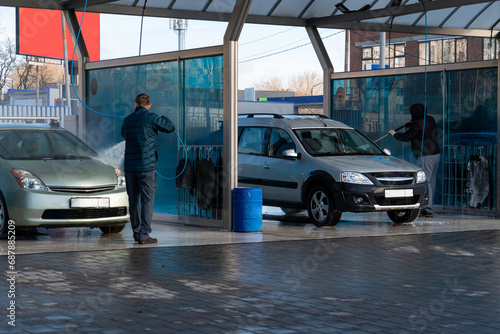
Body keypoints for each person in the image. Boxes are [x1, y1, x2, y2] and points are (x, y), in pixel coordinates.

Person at [121, 93, 175, 244]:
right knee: (147, 201)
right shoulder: (151, 117)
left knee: (133, 201)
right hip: (147, 167)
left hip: (130, 168)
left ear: (135, 104)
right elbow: (170, 127)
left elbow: (124, 134)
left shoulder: (127, 120)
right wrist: (161, 116)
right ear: (149, 105)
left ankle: (136, 232)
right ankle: (144, 234)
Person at [388, 103, 440, 217]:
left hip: (426, 155)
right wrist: (410, 125)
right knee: (432, 182)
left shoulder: (417, 124)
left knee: (426, 182)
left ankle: (427, 208)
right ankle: (428, 206)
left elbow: (407, 137)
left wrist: (395, 134)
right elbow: (420, 128)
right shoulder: (430, 119)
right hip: (435, 154)